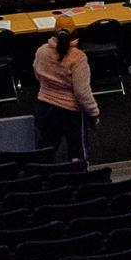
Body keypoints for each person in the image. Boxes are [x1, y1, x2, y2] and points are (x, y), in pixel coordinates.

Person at [32, 18, 97, 162]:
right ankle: (78, 182)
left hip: (45, 107)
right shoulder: (78, 57)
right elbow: (82, 93)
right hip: (71, 112)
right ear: (75, 33)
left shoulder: (41, 51)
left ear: (54, 32)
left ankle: (42, 180)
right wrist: (93, 113)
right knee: (77, 154)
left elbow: (38, 75)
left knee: (45, 150)